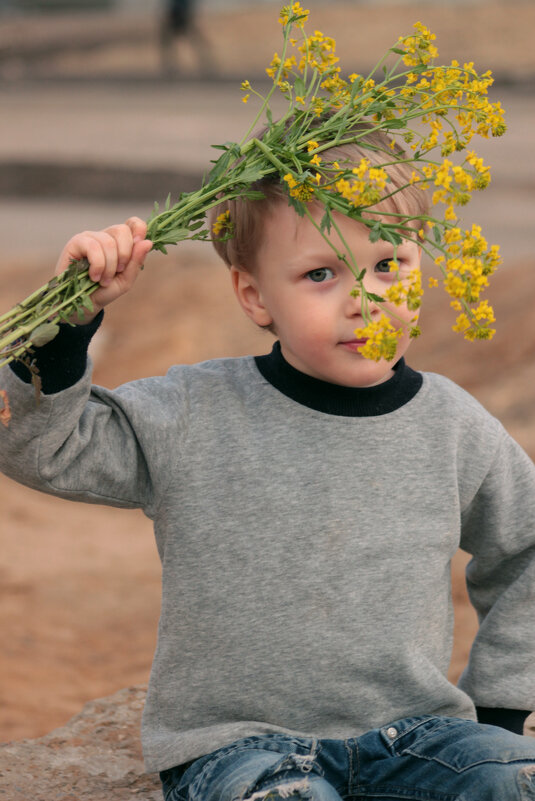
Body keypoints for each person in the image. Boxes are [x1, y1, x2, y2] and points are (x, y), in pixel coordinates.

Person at [1, 127, 535, 801]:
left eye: (387, 265)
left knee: (514, 779)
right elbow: (44, 448)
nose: (364, 299)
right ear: (254, 297)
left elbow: (526, 546)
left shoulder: (453, 424)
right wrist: (66, 324)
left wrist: (498, 710)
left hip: (416, 737)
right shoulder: (194, 409)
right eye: (320, 273)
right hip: (239, 744)